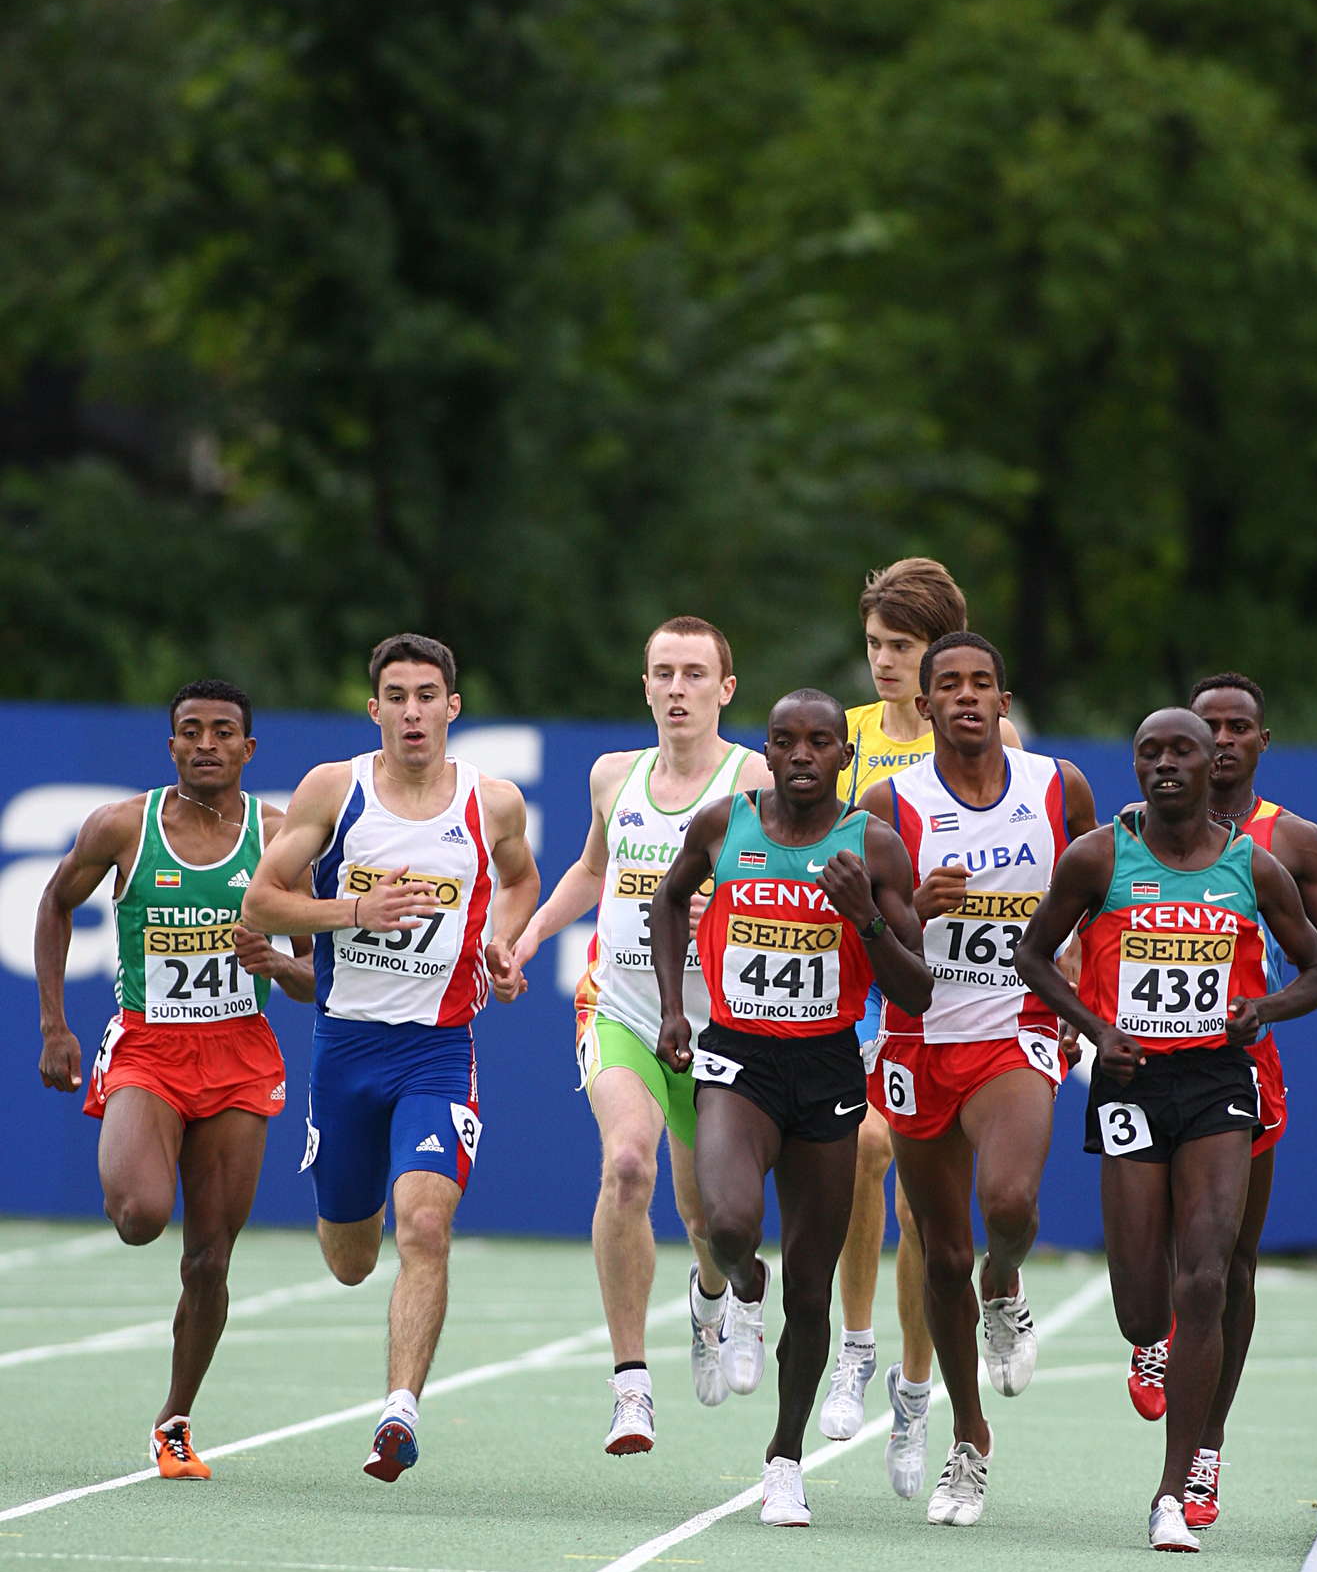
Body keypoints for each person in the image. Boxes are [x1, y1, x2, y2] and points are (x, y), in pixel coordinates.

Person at [1015, 708, 1317, 1551]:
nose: (1165, 763)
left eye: (1181, 750)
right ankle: (1149, 1342)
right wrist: (1096, 1028)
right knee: (1141, 1304)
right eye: (1149, 752)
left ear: (1210, 764)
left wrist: (1263, 1009)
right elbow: (1032, 954)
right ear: (1135, 766)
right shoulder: (1100, 858)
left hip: (1219, 1082)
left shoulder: (1253, 865)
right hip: (1131, 1082)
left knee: (1206, 1278)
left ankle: (1174, 1487)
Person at [242, 632, 539, 1482]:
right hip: (346, 1047)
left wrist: (502, 945)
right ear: (375, 708)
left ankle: (399, 1410)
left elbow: (521, 880)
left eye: (427, 696)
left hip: (437, 1053)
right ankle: (354, 1199)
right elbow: (261, 902)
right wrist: (352, 912)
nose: (413, 712)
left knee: (425, 1226)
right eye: (397, 697)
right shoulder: (335, 790)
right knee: (350, 1260)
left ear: (453, 706)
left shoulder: (493, 801)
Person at [651, 690, 932, 1526]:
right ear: (767, 751)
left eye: (819, 741)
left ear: (844, 755)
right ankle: (744, 1285)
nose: (802, 754)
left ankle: (784, 1458)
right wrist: (673, 1008)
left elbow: (916, 987)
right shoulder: (723, 823)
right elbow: (667, 900)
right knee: (729, 1226)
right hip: (737, 1057)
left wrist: (866, 916)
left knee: (812, 1290)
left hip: (828, 1068)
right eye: (785, 740)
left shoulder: (873, 844)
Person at [34, 678, 315, 1478]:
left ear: (247, 748)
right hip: (150, 1048)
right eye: (191, 730)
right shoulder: (122, 826)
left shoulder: (279, 836)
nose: (205, 744)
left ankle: (175, 1419)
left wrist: (275, 964)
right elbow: (55, 903)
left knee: (209, 1260)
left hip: (239, 1054)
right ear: (171, 746)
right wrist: (54, 1023)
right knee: (139, 1215)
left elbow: (315, 974)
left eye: (222, 731)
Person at [508, 616, 770, 1455]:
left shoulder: (755, 778)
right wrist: (529, 935)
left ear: (726, 688)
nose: (678, 688)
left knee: (709, 1218)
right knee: (627, 1164)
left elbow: (789, 885)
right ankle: (630, 1384)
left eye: (695, 673)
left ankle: (711, 1298)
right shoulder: (612, 774)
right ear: (646, 685)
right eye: (664, 672)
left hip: (719, 1026)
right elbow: (593, 869)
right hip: (621, 1008)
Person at [862, 633, 1097, 1526]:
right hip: (921, 1037)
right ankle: (969, 1436)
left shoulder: (1058, 787)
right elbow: (865, 935)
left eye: (982, 683)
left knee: (1009, 1205)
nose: (967, 696)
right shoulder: (889, 805)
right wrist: (914, 911)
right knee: (940, 1250)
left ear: (1004, 699)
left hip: (1016, 1026)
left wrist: (1084, 988)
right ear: (925, 706)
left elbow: (1101, 896)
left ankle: (1006, 1281)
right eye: (949, 685)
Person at [1119, 674, 1317, 1531]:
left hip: (1240, 1073)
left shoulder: (1290, 840)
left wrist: (1266, 1003)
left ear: (1262, 740)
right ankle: (1152, 1335)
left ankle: (1205, 1446)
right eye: (1207, 725)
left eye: (1237, 726)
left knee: (1228, 1266)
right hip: (1149, 1073)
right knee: (1155, 1260)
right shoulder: (1132, 831)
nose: (1221, 740)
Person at [822, 558, 1023, 1497]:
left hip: (965, 987)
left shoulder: (997, 738)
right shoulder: (848, 736)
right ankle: (853, 1347)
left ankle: (913, 1392)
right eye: (873, 644)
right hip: (868, 977)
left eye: (900, 646)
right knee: (864, 1150)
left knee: (926, 1213)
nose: (883, 662)